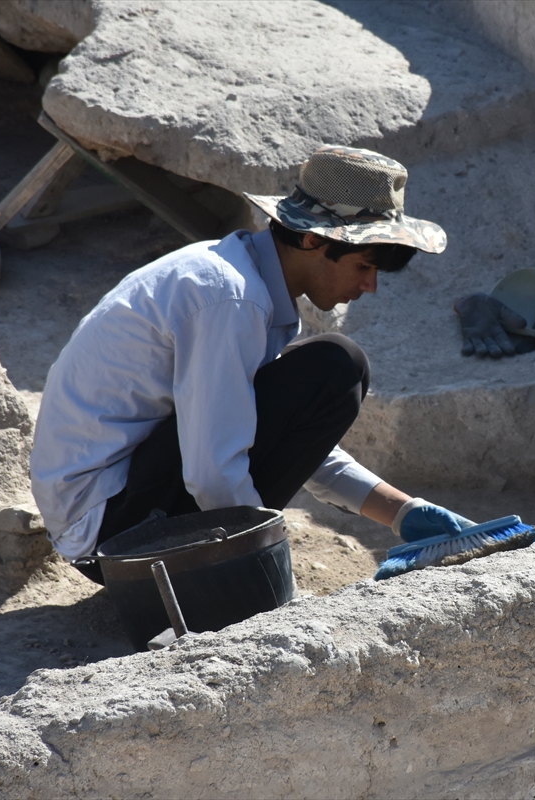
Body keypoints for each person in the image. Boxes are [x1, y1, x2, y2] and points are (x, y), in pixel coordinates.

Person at [31, 145, 476, 589]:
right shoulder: (230, 298)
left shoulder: (239, 278)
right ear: (313, 240)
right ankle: (226, 575)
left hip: (110, 517)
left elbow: (265, 432)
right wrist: (263, 568)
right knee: (337, 367)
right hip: (111, 536)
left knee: (331, 371)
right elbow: (212, 470)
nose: (370, 286)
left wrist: (401, 511)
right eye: (363, 265)